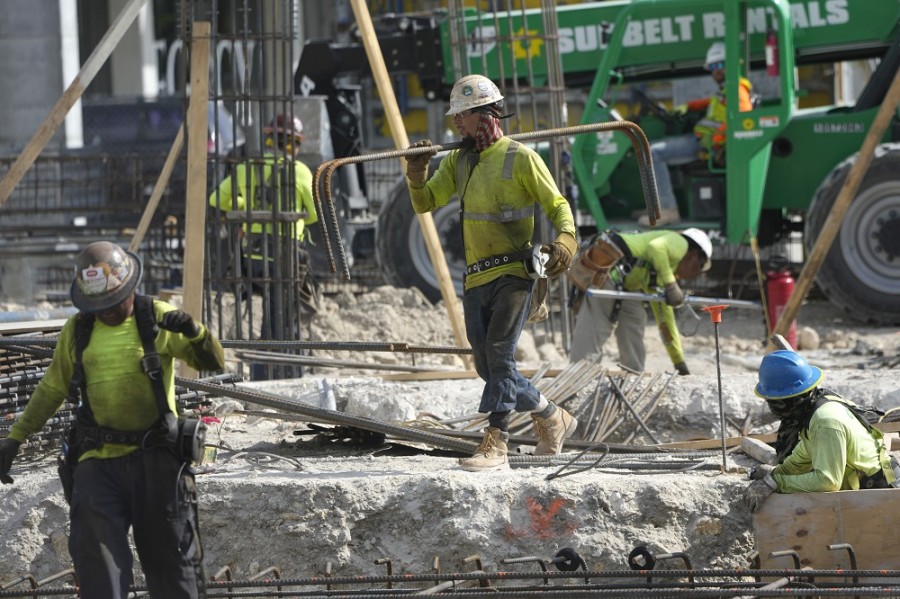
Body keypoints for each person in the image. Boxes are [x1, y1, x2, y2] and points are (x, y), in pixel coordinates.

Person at [0, 241, 225, 598]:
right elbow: (51, 389)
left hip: (157, 462)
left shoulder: (157, 319)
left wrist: (194, 332)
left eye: (112, 304)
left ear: (129, 288)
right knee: (98, 574)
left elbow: (214, 362)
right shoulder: (78, 331)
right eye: (96, 306)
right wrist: (15, 438)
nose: (105, 312)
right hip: (97, 463)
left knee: (174, 575)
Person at [404, 74, 579, 472]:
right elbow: (426, 203)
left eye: (462, 116)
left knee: (500, 353)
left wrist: (566, 240)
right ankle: (552, 415)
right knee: (488, 365)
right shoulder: (458, 161)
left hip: (515, 272)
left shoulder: (520, 157)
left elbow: (557, 205)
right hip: (476, 277)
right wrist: (416, 174)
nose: (456, 125)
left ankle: (496, 441)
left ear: (484, 113)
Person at [208, 113, 318, 379]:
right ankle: (276, 371)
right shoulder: (299, 171)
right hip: (286, 260)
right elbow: (314, 214)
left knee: (277, 314)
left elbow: (216, 200)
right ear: (293, 144)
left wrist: (249, 207)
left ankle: (273, 367)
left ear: (268, 139)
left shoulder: (247, 168)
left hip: (252, 259)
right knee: (284, 317)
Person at [743, 350, 900, 512]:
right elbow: (802, 457)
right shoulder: (817, 407)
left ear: (785, 401)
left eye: (772, 400)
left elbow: (828, 482)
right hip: (874, 488)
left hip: (883, 495)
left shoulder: (825, 421)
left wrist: (777, 484)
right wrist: (776, 474)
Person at [638, 41, 754, 226]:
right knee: (651, 149)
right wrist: (689, 106)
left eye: (721, 65)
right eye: (713, 67)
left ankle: (668, 210)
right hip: (702, 141)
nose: (717, 70)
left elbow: (743, 119)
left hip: (706, 145)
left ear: (732, 64)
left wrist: (715, 140)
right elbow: (714, 103)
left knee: (652, 152)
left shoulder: (737, 90)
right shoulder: (728, 88)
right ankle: (657, 206)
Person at [568, 227, 712, 374]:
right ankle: (580, 376)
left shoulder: (662, 270)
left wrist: (679, 363)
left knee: (634, 319)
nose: (697, 273)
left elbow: (665, 322)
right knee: (596, 323)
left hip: (626, 285)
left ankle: (633, 376)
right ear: (694, 254)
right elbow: (656, 248)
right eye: (700, 266)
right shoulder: (681, 243)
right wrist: (671, 285)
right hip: (609, 270)